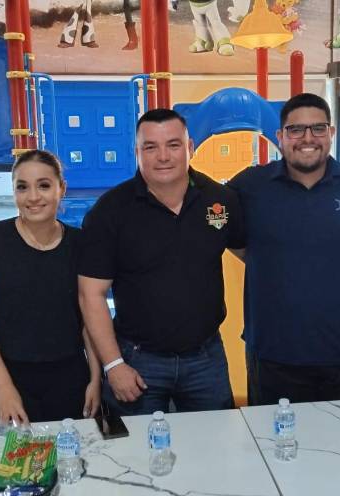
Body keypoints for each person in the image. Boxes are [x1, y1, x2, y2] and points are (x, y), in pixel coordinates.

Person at [78, 108, 244, 416]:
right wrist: (113, 365)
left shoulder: (219, 200)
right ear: (137, 152)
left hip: (206, 359)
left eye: (173, 145)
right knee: (136, 445)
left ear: (190, 147)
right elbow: (91, 294)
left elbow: (253, 254)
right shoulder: (110, 211)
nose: (163, 156)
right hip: (138, 361)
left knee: (216, 442)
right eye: (150, 147)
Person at [228, 93, 340, 405]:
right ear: (280, 136)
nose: (307, 138)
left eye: (318, 128)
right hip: (274, 354)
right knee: (273, 436)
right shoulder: (250, 186)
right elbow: (227, 234)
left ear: (331, 133)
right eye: (296, 130)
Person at [0, 150, 101, 424]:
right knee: (11, 452)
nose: (33, 197)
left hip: (69, 377)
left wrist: (96, 379)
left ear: (62, 188)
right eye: (22, 187)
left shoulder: (81, 244)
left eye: (44, 185)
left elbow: (89, 317)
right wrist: (3, 386)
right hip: (6, 375)